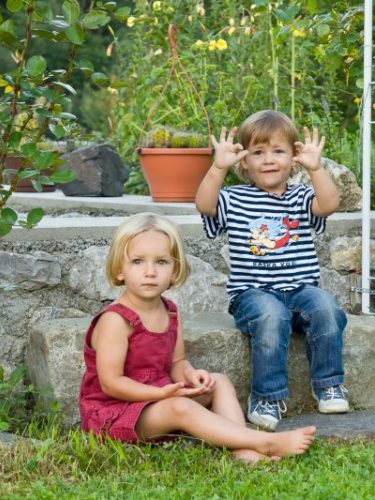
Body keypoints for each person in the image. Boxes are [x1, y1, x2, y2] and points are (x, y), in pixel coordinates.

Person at [79, 212, 316, 462]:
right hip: (116, 412)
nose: (150, 272)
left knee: (219, 382)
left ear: (175, 270)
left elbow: (177, 363)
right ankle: (264, 442)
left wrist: (191, 376)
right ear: (119, 270)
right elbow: (111, 383)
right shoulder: (116, 320)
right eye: (137, 261)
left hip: (161, 398)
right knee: (180, 407)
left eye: (161, 262)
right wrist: (162, 395)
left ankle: (241, 449)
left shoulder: (169, 311)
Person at [195, 110, 349, 432]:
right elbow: (205, 205)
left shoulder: (301, 196)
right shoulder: (234, 198)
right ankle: (266, 397)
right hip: (252, 294)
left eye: (278, 151)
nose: (268, 160)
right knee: (271, 316)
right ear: (244, 162)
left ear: (293, 158)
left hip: (300, 290)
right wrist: (217, 167)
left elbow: (330, 204)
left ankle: (329, 385)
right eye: (258, 152)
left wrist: (316, 168)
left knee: (326, 308)